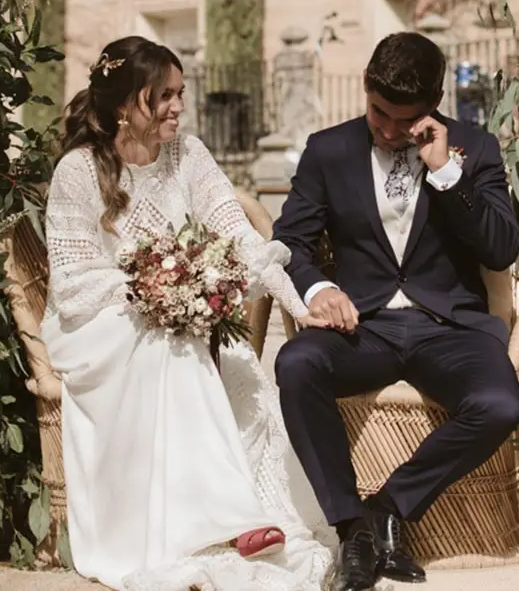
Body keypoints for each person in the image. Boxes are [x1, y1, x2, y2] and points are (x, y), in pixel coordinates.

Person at [40, 36, 333, 590]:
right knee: (169, 344)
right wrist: (152, 287)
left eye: (181, 92)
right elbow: (73, 280)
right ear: (124, 105)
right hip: (94, 327)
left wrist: (300, 303)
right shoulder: (78, 171)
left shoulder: (190, 155)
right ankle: (234, 521)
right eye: (163, 96)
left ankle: (237, 515)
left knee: (234, 366)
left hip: (178, 316)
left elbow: (243, 239)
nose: (178, 106)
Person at [272, 32, 519, 591]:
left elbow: (501, 248)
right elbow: (289, 242)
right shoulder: (328, 150)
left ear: (433, 107)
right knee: (295, 364)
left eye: (401, 120)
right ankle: (351, 528)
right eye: (377, 112)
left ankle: (388, 506)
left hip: (450, 328)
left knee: (500, 404)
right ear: (365, 89)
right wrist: (317, 291)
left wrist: (446, 174)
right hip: (362, 327)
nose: (386, 130)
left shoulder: (475, 148)